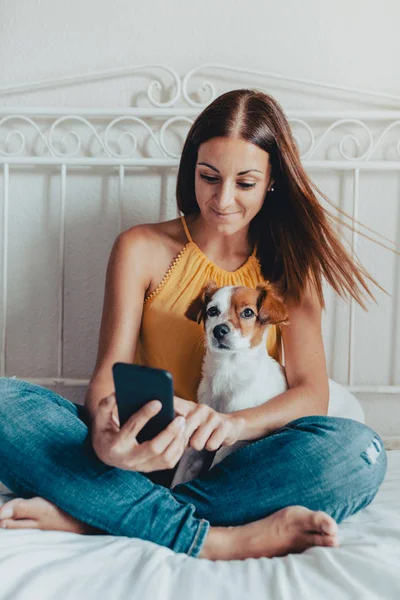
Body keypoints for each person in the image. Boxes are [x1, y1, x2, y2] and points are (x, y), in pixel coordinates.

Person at [0, 89, 389, 561]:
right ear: (191, 172)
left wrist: (228, 425)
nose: (222, 200)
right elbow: (109, 373)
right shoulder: (139, 247)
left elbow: (312, 395)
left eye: (244, 183)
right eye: (209, 178)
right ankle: (216, 538)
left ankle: (93, 515)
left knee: (360, 451)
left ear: (271, 182)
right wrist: (107, 441)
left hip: (236, 462)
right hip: (141, 451)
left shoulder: (290, 268)